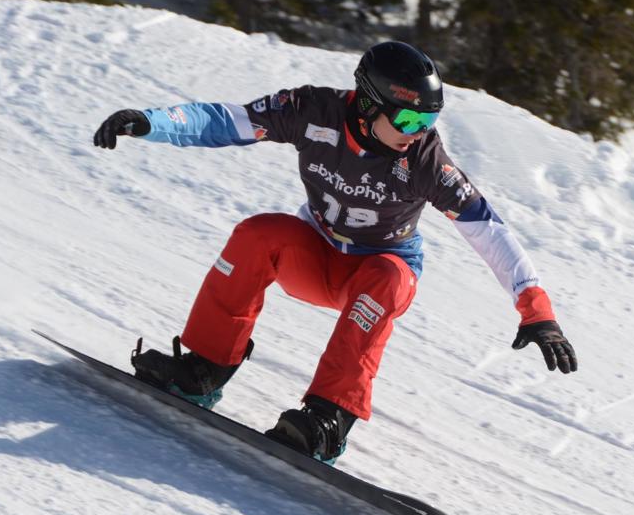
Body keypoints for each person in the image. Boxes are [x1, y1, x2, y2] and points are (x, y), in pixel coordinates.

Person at [92, 41, 577, 464]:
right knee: (258, 234)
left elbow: (487, 230)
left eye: (429, 119)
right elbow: (229, 120)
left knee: (386, 278)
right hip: (316, 257)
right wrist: (151, 123)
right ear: (368, 105)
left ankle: (328, 418)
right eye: (408, 117)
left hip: (375, 277)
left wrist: (537, 312)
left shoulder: (424, 158)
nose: (418, 130)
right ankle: (204, 368)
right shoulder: (311, 110)